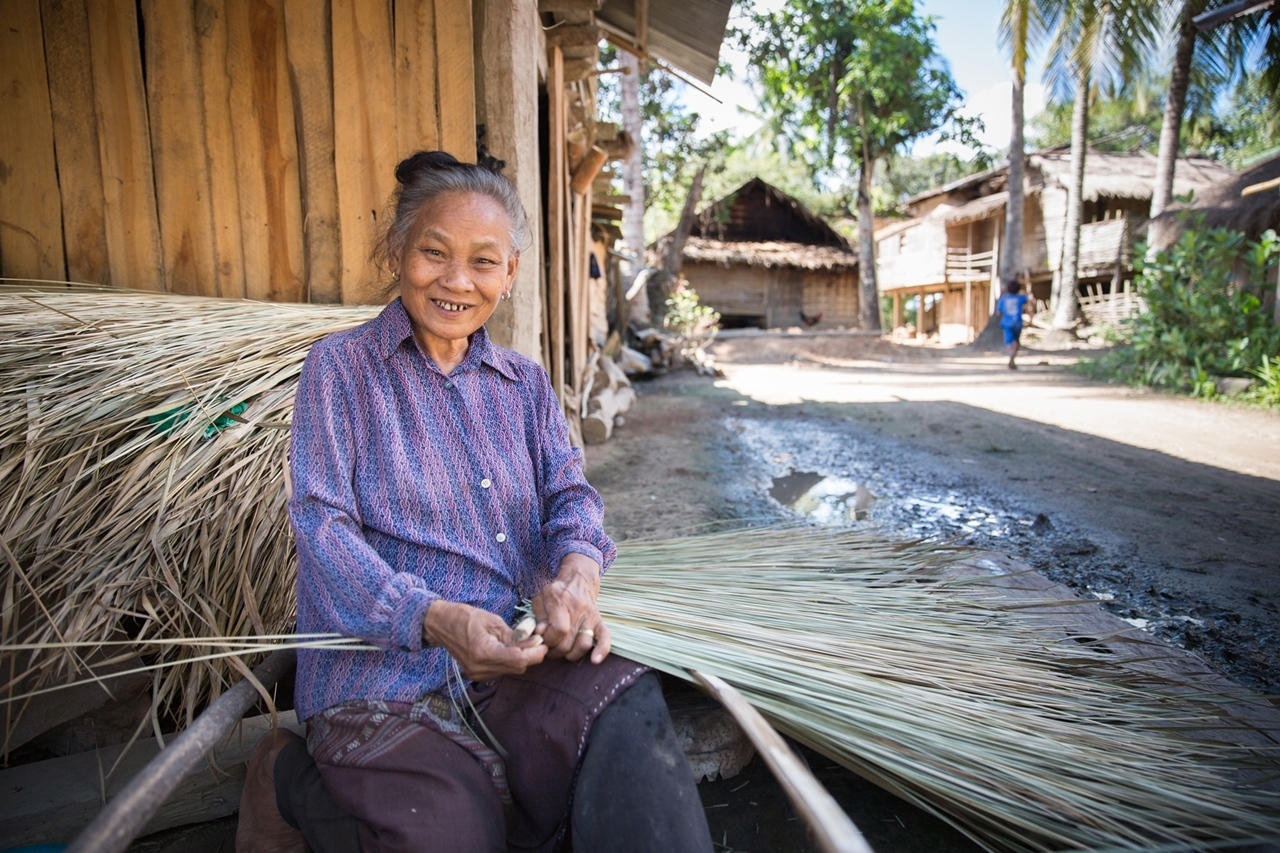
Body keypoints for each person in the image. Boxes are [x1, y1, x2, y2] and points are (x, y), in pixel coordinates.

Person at [238, 151, 711, 853]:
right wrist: (427, 617)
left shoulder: (523, 382)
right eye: (434, 253)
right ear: (398, 251)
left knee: (624, 709)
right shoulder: (340, 368)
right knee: (457, 834)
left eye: (484, 261)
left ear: (511, 271)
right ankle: (292, 777)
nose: (457, 280)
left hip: (514, 653)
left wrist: (575, 577)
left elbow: (569, 496)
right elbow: (321, 525)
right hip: (382, 675)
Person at [996, 279, 1030, 369]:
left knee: (1008, 341)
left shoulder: (1003, 299)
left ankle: (1010, 353)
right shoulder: (1020, 298)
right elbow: (1028, 300)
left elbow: (998, 312)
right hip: (1018, 322)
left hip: (1007, 323)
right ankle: (1014, 354)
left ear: (1007, 289)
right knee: (1016, 340)